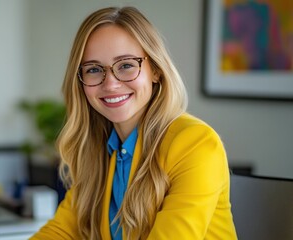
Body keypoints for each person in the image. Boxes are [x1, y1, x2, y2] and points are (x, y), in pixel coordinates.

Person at [30, 6, 237, 240]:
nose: (110, 84)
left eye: (126, 65)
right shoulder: (99, 148)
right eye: (94, 69)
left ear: (156, 70)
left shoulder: (196, 143)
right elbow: (62, 230)